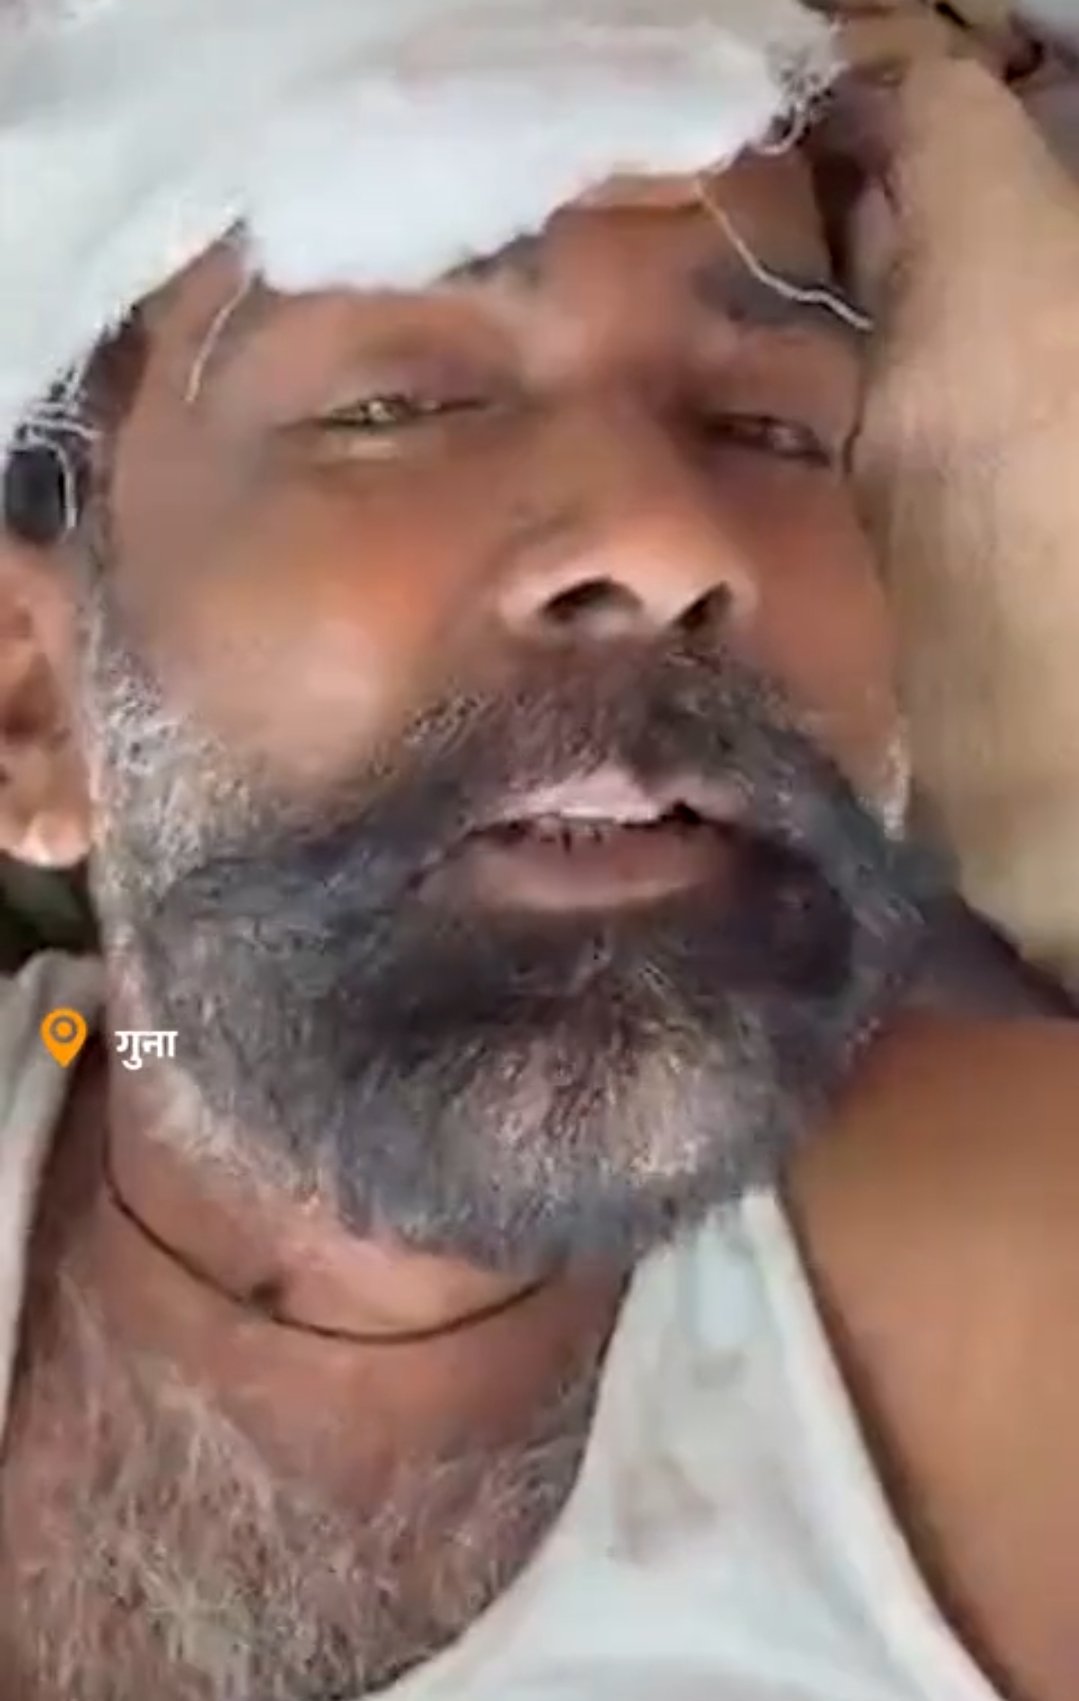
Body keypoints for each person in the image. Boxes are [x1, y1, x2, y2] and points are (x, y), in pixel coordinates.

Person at [0, 3, 1076, 1700]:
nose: (667, 539)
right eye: (401, 403)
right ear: (33, 704)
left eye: (773, 428)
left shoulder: (1012, 1290)